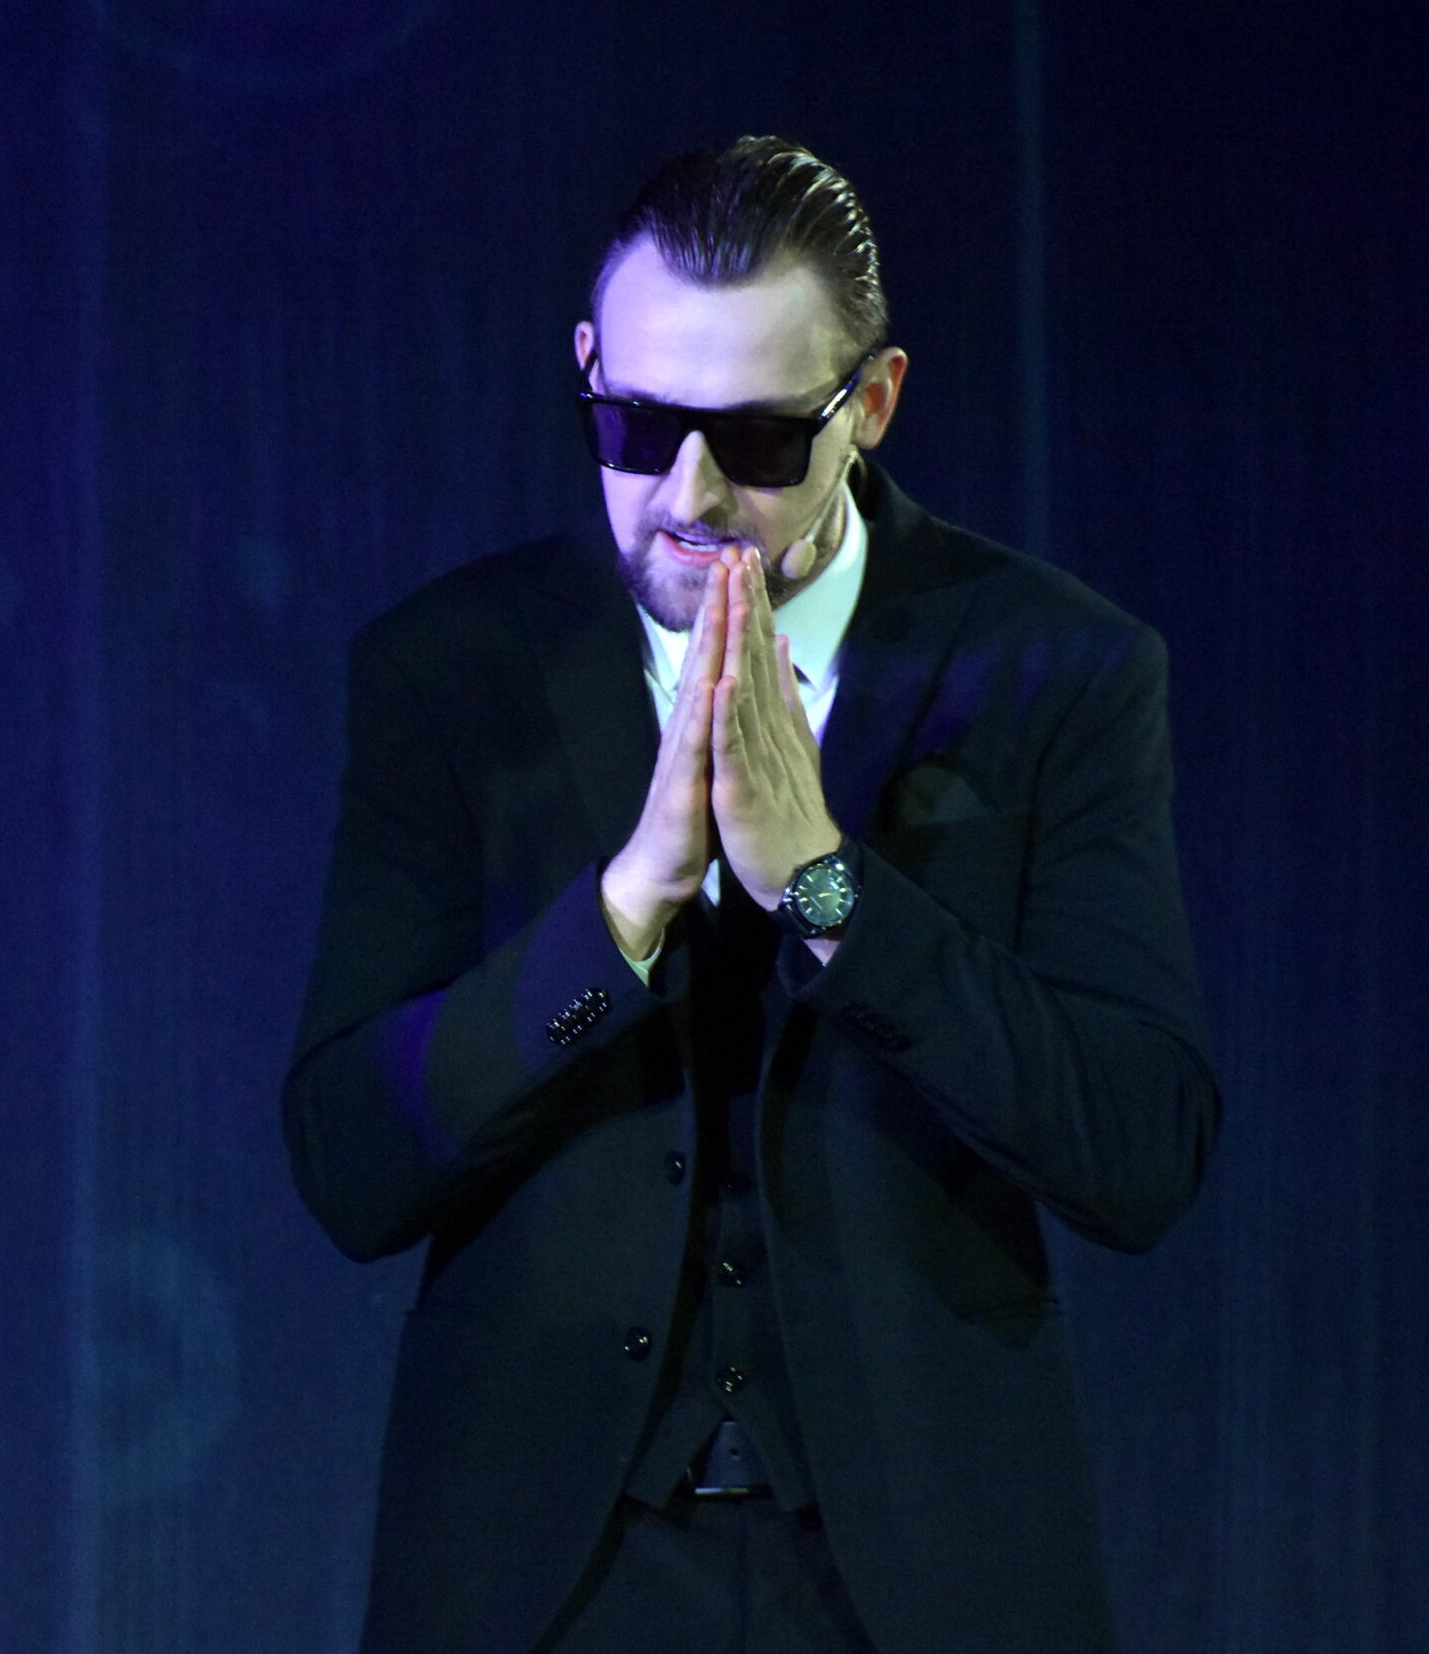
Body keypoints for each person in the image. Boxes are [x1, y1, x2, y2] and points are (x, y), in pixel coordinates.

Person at [282, 139, 1218, 1653]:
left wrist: (832, 894)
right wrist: (623, 912)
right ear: (587, 368)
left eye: (761, 443)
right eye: (638, 427)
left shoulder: (1058, 670)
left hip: (925, 1579)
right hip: (537, 1577)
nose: (689, 494)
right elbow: (350, 1163)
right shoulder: (450, 671)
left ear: (873, 404)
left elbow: (1138, 1149)